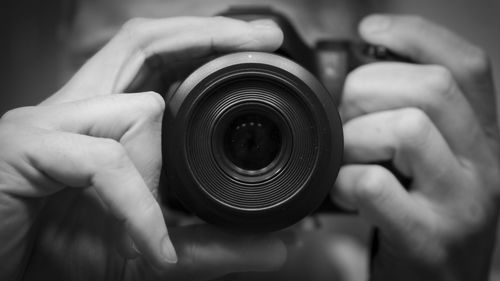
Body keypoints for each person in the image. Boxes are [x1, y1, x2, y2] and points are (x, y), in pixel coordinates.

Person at [0, 9, 499, 281]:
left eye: (275, 73)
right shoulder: (37, 236)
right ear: (69, 71)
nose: (182, 122)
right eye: (165, 78)